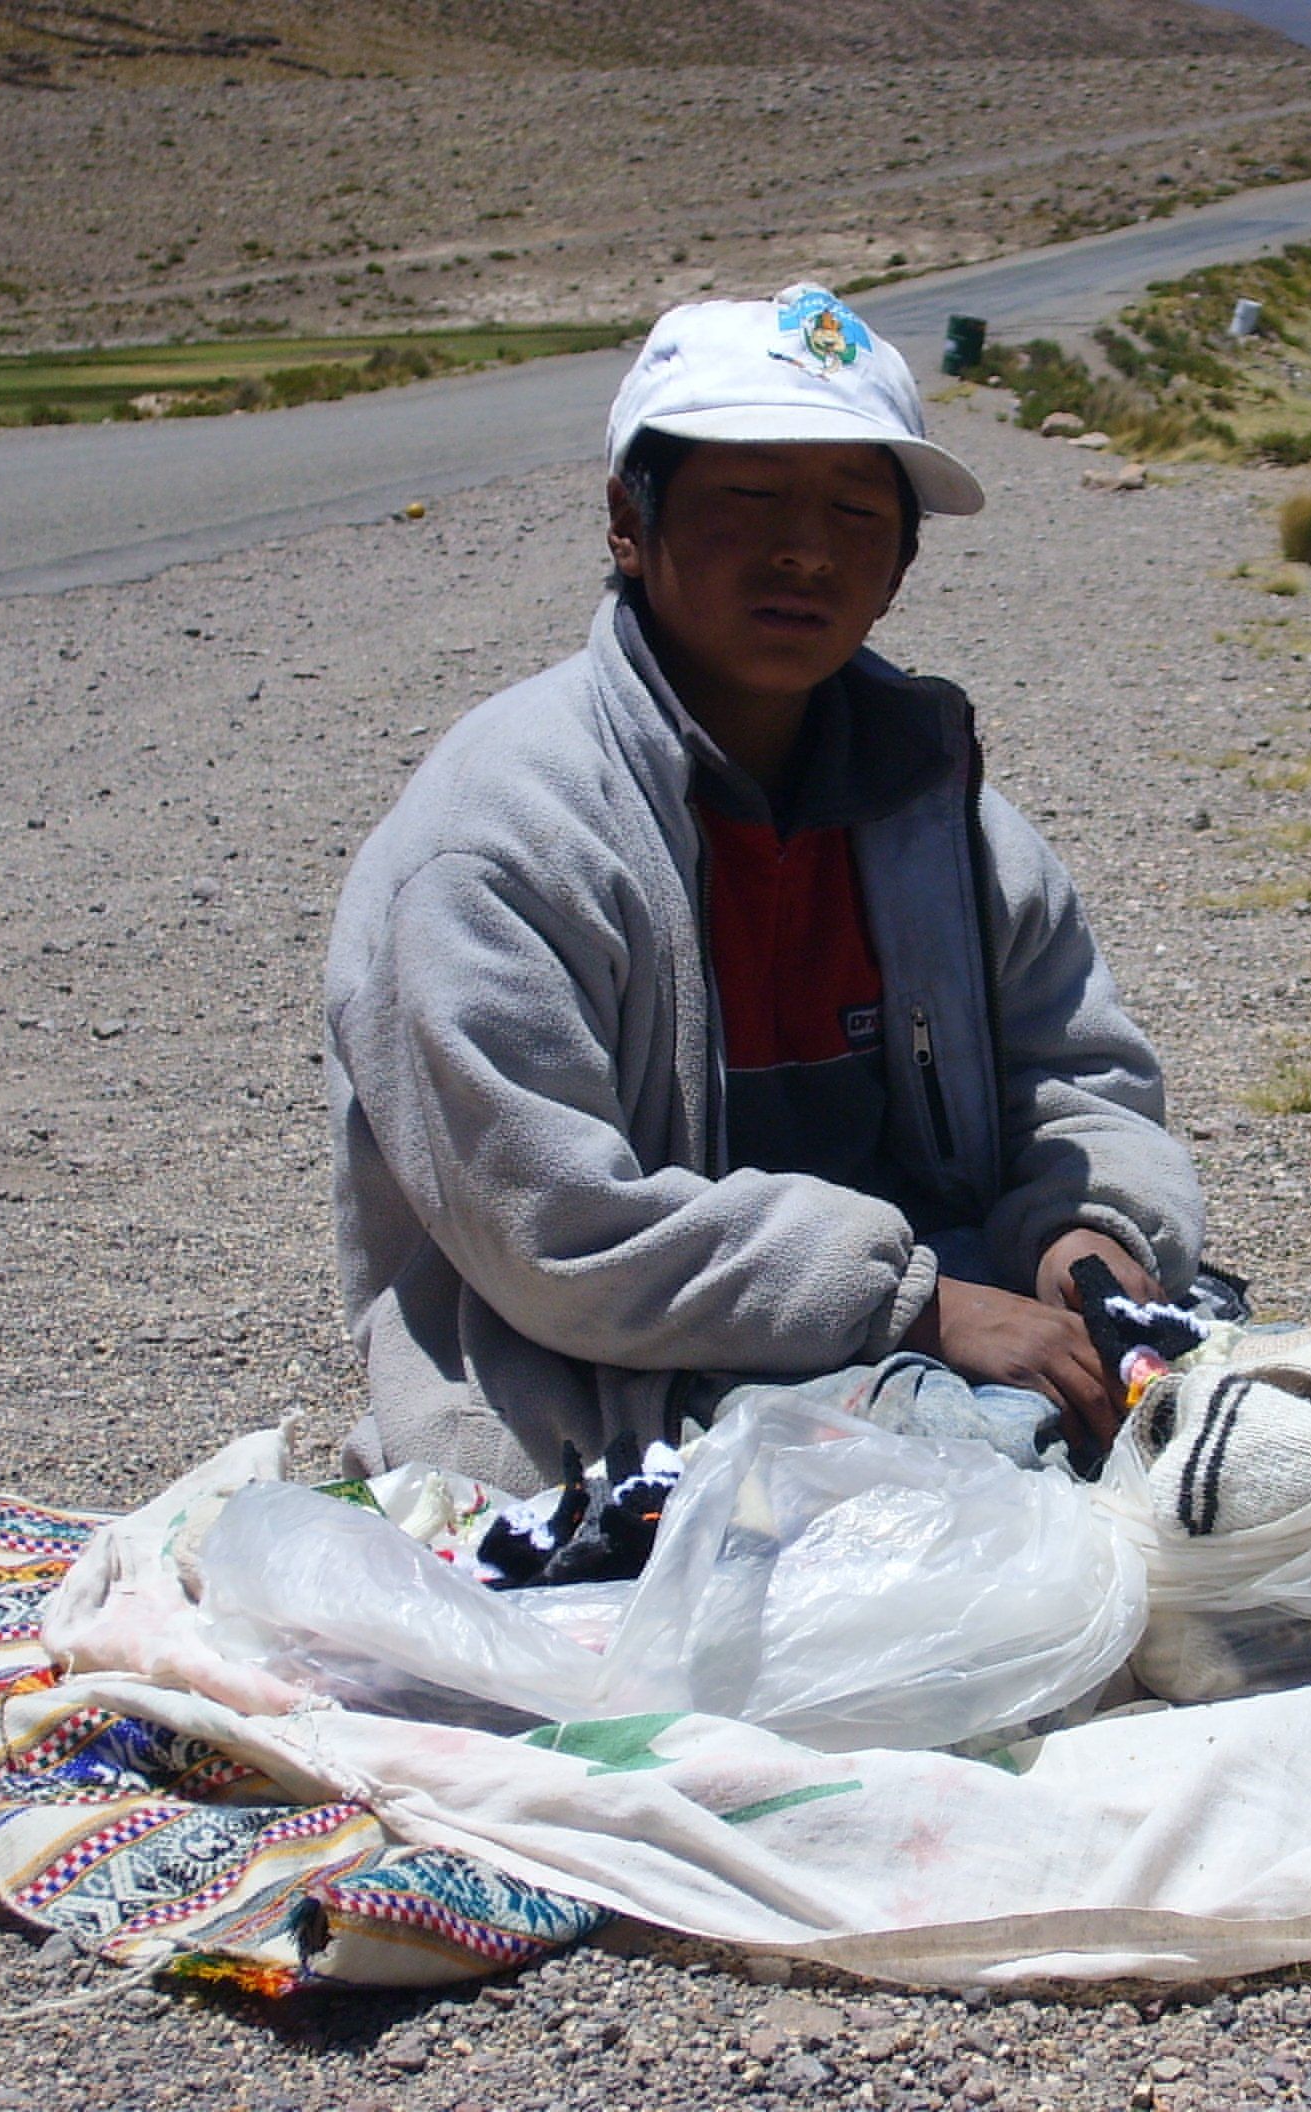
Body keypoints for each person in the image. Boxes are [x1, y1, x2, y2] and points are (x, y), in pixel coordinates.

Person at [325, 284, 1204, 1495]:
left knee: (1234, 1418)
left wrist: (1088, 1233)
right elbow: (553, 1233)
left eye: (855, 511)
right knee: (1027, 1481)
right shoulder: (502, 840)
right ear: (628, 521)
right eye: (749, 497)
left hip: (936, 1307)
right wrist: (917, 1306)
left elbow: (1080, 1081)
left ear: (898, 567)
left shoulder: (941, 825)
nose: (805, 550)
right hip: (606, 1386)